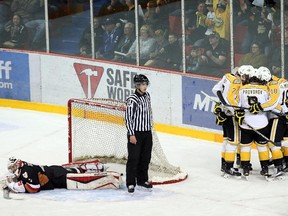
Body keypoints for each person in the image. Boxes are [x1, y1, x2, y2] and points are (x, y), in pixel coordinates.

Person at [4, 157, 121, 193]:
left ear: (18, 164)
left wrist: (14, 186)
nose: (12, 170)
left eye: (13, 167)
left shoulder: (25, 171)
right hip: (53, 171)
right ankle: (91, 167)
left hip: (56, 176)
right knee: (73, 171)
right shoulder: (24, 168)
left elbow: (34, 188)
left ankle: (99, 170)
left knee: (77, 176)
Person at [125, 74, 153, 193]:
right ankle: (131, 182)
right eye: (142, 84)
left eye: (146, 84)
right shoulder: (132, 99)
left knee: (145, 157)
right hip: (136, 133)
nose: (144, 86)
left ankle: (142, 179)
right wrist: (131, 134)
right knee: (134, 158)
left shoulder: (147, 96)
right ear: (137, 85)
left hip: (147, 132)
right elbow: (128, 118)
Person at [212, 66, 242, 178]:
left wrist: (223, 103)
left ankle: (224, 165)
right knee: (233, 142)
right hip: (231, 115)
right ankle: (229, 167)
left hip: (225, 113)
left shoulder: (226, 77)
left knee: (226, 140)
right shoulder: (236, 83)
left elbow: (216, 90)